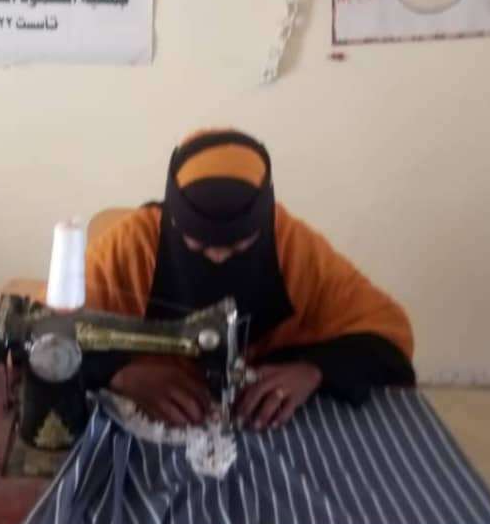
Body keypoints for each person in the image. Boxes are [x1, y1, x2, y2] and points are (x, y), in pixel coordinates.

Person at [83, 128, 415, 430]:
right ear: (174, 219)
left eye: (238, 246)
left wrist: (315, 370)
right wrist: (119, 373)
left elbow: (386, 333)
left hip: (266, 415)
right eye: (198, 244)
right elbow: (54, 333)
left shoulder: (291, 243)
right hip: (150, 416)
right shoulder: (131, 245)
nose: (218, 256)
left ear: (265, 221)